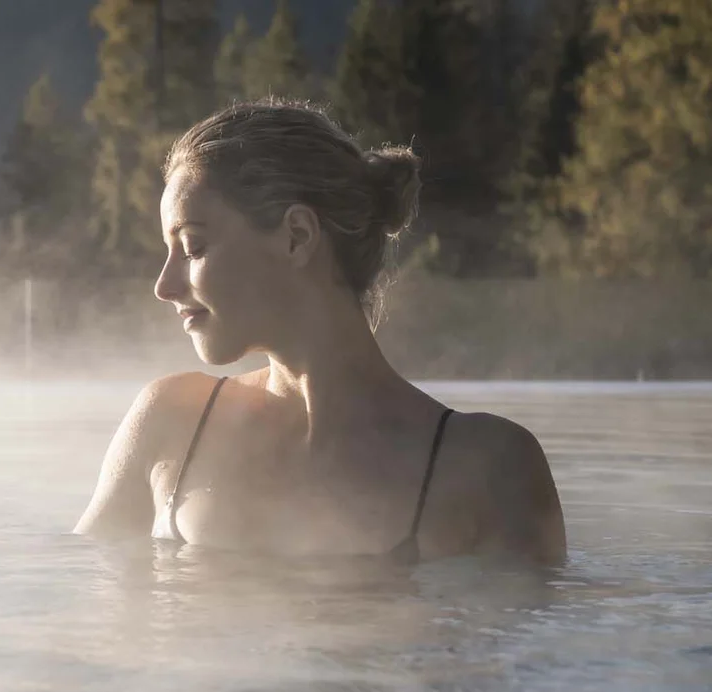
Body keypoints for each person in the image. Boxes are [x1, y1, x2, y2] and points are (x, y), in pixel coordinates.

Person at [75, 99, 566, 565]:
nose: (163, 285)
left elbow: (530, 639)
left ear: (298, 236)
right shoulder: (171, 421)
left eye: (193, 246)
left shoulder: (483, 465)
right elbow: (85, 613)